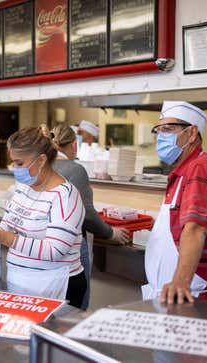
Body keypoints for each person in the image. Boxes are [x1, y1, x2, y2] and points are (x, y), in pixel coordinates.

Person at [0, 127, 87, 309]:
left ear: (41, 160)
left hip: (56, 286)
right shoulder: (24, 187)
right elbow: (8, 224)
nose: (15, 168)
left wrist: (5, 238)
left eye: (20, 163)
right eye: (13, 162)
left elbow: (54, 250)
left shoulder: (65, 196)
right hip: (21, 282)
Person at [142, 101, 207, 304]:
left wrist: (180, 281)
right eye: (158, 131)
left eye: (168, 129)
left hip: (190, 294)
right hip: (172, 295)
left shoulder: (200, 167)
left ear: (192, 133)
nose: (160, 137)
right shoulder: (184, 171)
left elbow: (194, 229)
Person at [51, 125, 130, 310]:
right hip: (72, 248)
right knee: (75, 310)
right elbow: (86, 214)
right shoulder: (75, 169)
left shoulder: (41, 166)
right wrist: (111, 233)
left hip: (45, 250)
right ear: (74, 145)